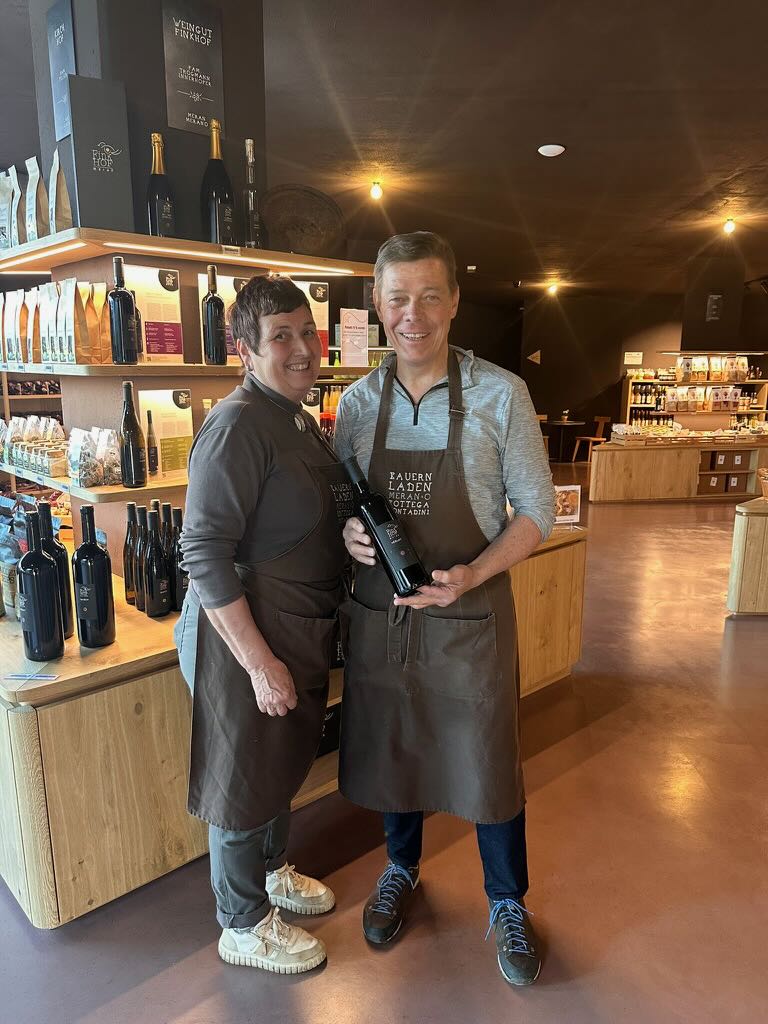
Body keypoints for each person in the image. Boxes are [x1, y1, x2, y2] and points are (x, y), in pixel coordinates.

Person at [334, 231, 555, 987]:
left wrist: (475, 572)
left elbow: (536, 510)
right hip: (386, 619)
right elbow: (346, 503)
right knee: (395, 747)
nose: (414, 315)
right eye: (398, 298)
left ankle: (507, 902)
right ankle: (400, 869)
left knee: (488, 762)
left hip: (471, 620)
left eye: (431, 296)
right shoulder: (358, 404)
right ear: (377, 303)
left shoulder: (502, 394)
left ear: (455, 301)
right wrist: (348, 533)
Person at [175, 276, 352, 975]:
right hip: (242, 636)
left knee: (277, 766)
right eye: (282, 336)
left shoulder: (294, 418)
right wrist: (257, 661)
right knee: (244, 776)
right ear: (244, 350)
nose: (303, 348)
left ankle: (272, 874)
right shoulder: (237, 425)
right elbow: (202, 551)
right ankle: (242, 924)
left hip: (295, 626)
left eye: (308, 332)